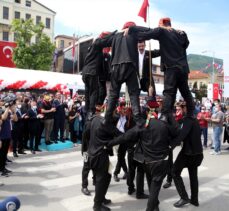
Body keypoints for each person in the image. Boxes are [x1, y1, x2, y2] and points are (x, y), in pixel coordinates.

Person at [107, 100, 176, 211]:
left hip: (147, 163)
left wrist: (109, 143)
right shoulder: (164, 125)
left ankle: (155, 207)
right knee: (154, 189)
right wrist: (170, 146)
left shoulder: (143, 125)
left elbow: (125, 137)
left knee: (152, 187)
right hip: (159, 162)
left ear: (146, 111)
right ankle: (151, 208)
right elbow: (177, 134)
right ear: (157, 110)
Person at [126, 17, 194, 123]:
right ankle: (191, 114)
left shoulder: (162, 31)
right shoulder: (182, 33)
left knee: (169, 92)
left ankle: (165, 115)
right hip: (183, 69)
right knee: (185, 92)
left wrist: (133, 29)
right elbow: (186, 44)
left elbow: (147, 33)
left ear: (162, 24)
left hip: (171, 67)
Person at [86, 113, 121, 211]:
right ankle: (97, 205)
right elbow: (121, 136)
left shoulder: (95, 118)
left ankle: (101, 198)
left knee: (107, 176)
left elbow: (87, 134)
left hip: (94, 152)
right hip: (99, 155)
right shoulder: (107, 125)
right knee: (101, 180)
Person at [172, 102, 204, 208]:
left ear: (186, 108)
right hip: (197, 153)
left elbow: (182, 135)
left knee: (175, 172)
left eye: (180, 108)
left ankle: (184, 197)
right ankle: (194, 200)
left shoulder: (188, 120)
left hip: (188, 153)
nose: (178, 111)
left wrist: (169, 146)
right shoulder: (193, 119)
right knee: (193, 176)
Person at [82, 31, 116, 119]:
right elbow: (106, 41)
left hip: (85, 73)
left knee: (88, 92)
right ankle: (91, 112)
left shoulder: (92, 48)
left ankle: (87, 109)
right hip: (92, 72)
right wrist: (114, 35)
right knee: (94, 92)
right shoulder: (97, 42)